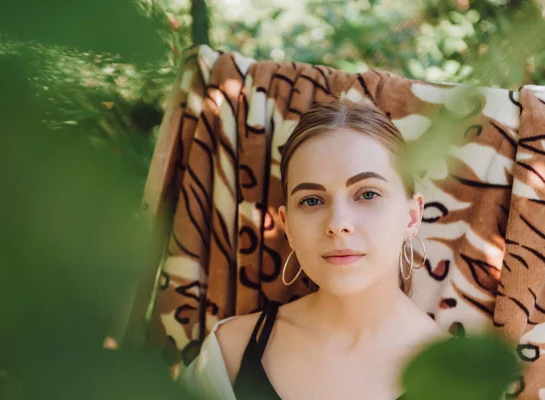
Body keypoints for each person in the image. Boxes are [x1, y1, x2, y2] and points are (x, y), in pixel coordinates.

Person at [182, 99, 449, 400]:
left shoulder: (463, 379)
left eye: (367, 194)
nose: (337, 224)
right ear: (289, 226)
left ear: (412, 217)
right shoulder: (229, 353)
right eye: (312, 200)